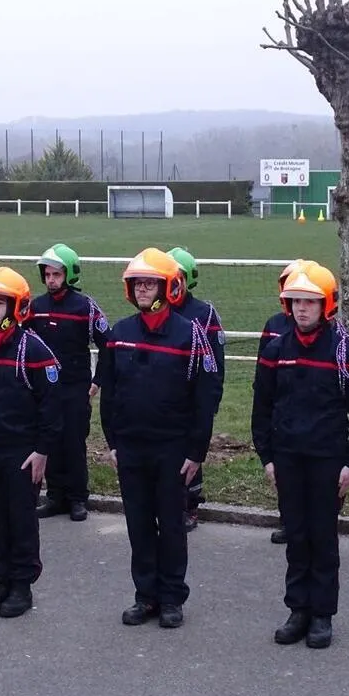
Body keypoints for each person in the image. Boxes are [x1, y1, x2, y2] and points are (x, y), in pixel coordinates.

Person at [252, 263, 349, 649]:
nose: (302, 309)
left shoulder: (344, 352)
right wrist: (267, 457)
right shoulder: (275, 349)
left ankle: (322, 614)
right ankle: (297, 609)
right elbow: (262, 407)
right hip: (287, 458)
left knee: (323, 538)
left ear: (327, 306)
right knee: (297, 537)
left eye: (310, 302)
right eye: (296, 302)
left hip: (327, 460)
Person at [98, 248, 219, 629]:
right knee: (138, 524)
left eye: (151, 283)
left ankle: (171, 598)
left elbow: (205, 395)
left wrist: (195, 449)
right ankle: (145, 596)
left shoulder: (190, 334)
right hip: (131, 447)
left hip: (172, 449)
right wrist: (113, 442)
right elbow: (109, 391)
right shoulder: (120, 333)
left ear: (169, 287)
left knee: (171, 525)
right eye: (138, 284)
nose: (144, 290)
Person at [0, 267, 62, 619]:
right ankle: (0, 580)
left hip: (21, 452)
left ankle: (22, 585)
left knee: (20, 520)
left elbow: (51, 404)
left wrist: (42, 449)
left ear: (16, 307)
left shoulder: (32, 349)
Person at [30, 243, 110, 523]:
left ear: (69, 274)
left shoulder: (85, 307)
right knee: (49, 440)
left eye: (57, 274)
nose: (51, 280)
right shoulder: (35, 307)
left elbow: (108, 346)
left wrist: (97, 382)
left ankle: (77, 498)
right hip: (45, 391)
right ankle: (55, 496)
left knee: (74, 442)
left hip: (76, 388)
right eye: (47, 275)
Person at [256, 259, 313, 545]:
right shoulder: (274, 325)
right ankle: (289, 523)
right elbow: (263, 369)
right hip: (282, 410)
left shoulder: (325, 330)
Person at [167, 248, 225, 532]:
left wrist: (212, 397)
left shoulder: (204, 313)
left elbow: (216, 360)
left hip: (194, 396)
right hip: (166, 399)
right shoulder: (158, 311)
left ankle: (190, 504)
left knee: (191, 450)